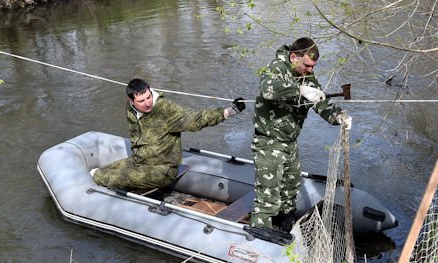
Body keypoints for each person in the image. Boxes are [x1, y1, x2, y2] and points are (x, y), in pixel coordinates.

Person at [250, 37, 352, 232]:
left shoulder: (307, 76)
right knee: (268, 195)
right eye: (307, 65)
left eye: (313, 66)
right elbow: (268, 89)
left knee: (291, 187)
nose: (310, 70)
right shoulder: (276, 68)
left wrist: (338, 117)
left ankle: (286, 224)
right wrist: (299, 90)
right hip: (268, 142)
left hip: (290, 142)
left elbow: (321, 102)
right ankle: (260, 233)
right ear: (294, 57)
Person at [92, 78, 245, 191]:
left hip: (162, 170)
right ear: (131, 101)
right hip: (140, 161)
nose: (147, 103)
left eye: (149, 97)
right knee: (103, 171)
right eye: (141, 101)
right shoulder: (130, 109)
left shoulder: (165, 110)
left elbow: (194, 119)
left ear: (151, 91)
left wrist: (227, 112)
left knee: (101, 177)